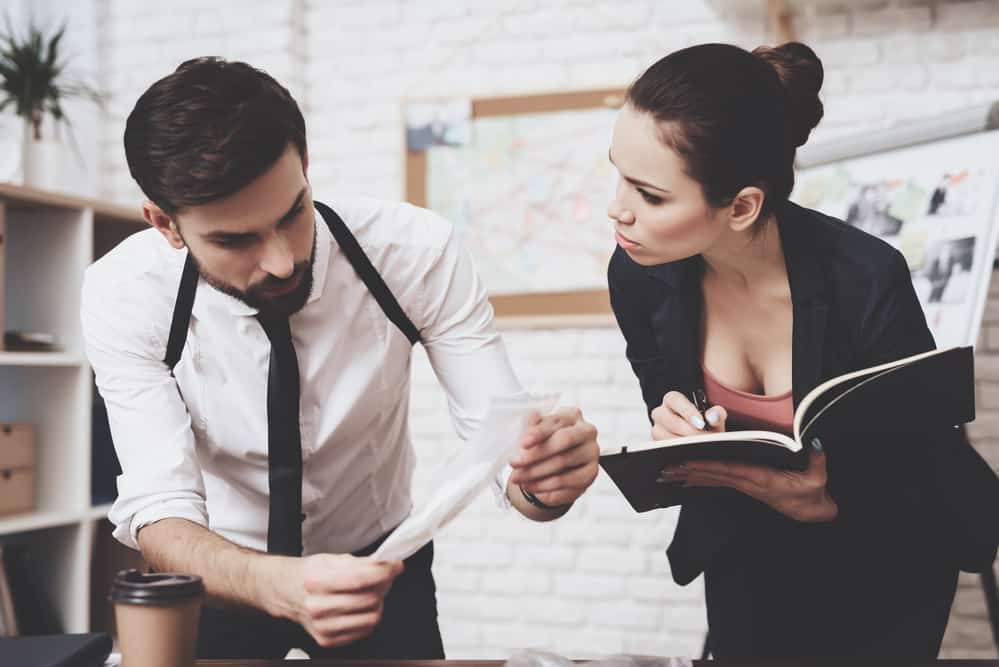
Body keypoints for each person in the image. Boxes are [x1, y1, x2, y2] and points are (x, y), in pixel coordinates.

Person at [81, 58, 600, 660]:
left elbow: (499, 441)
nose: (279, 261)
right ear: (166, 225)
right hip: (220, 578)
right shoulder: (125, 292)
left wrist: (542, 482)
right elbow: (160, 508)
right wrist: (274, 584)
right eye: (235, 240)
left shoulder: (414, 253)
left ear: (304, 165)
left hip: (380, 575)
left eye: (292, 214)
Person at [605, 42, 999, 657]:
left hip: (886, 574)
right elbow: (666, 393)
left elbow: (925, 472)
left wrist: (829, 502)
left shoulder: (864, 278)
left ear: (741, 206)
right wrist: (673, 419)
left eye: (649, 195)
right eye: (618, 175)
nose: (618, 210)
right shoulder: (641, 272)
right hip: (743, 559)